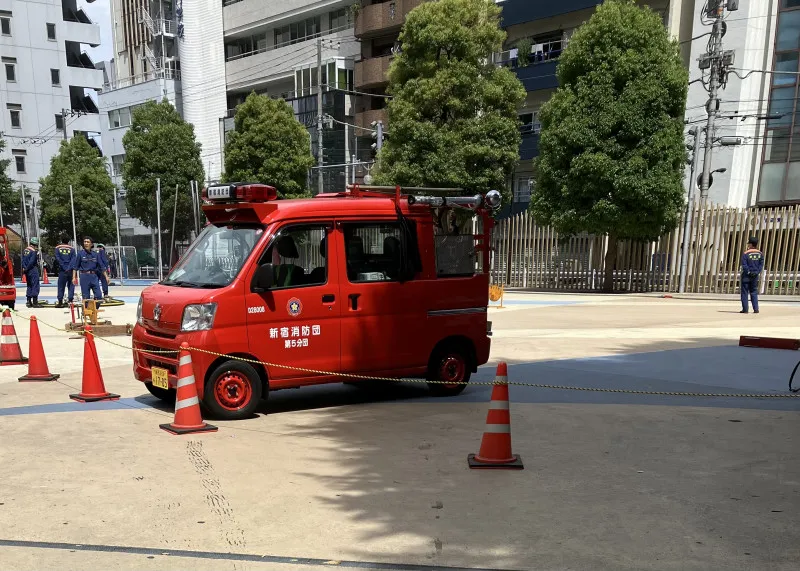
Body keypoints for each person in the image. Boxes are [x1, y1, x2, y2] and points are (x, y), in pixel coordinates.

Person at [76, 236, 106, 308]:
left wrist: (106, 277)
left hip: (94, 276)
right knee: (86, 297)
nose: (86, 243)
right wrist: (74, 277)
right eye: (85, 242)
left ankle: (94, 311)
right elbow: (75, 266)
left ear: (91, 244)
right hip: (84, 276)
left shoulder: (95, 254)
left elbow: (101, 266)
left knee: (98, 296)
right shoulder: (80, 254)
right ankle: (87, 312)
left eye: (88, 242)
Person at [740, 237, 764, 314]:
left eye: (749, 244)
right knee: (754, 292)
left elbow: (744, 265)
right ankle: (756, 309)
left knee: (744, 292)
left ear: (750, 244)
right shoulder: (760, 254)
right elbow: (761, 265)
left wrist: (749, 272)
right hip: (755, 276)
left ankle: (745, 309)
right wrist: (756, 272)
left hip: (746, 276)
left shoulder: (746, 254)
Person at [54, 237, 77, 308]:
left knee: (61, 286)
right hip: (70, 270)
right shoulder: (72, 249)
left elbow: (57, 258)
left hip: (62, 270)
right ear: (68, 241)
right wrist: (69, 267)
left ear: (61, 240)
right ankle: (70, 300)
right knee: (71, 285)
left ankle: (60, 302)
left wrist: (63, 266)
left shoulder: (57, 248)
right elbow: (73, 259)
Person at [21, 237, 41, 308]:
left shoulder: (25, 250)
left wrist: (24, 268)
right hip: (32, 269)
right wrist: (28, 268)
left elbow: (23, 260)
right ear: (36, 244)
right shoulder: (33, 251)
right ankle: (35, 302)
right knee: (35, 285)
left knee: (29, 285)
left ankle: (28, 301)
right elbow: (32, 261)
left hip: (26, 270)